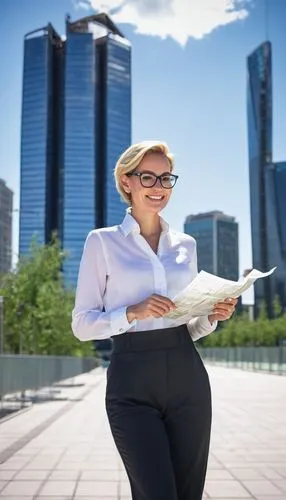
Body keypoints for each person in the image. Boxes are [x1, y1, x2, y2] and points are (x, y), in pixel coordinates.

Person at [72, 141, 237, 500]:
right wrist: (132, 312)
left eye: (166, 178)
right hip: (131, 383)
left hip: (188, 379)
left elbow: (187, 325)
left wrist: (210, 316)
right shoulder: (102, 243)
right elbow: (82, 324)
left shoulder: (186, 245)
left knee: (188, 493)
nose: (159, 187)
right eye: (148, 177)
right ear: (126, 181)